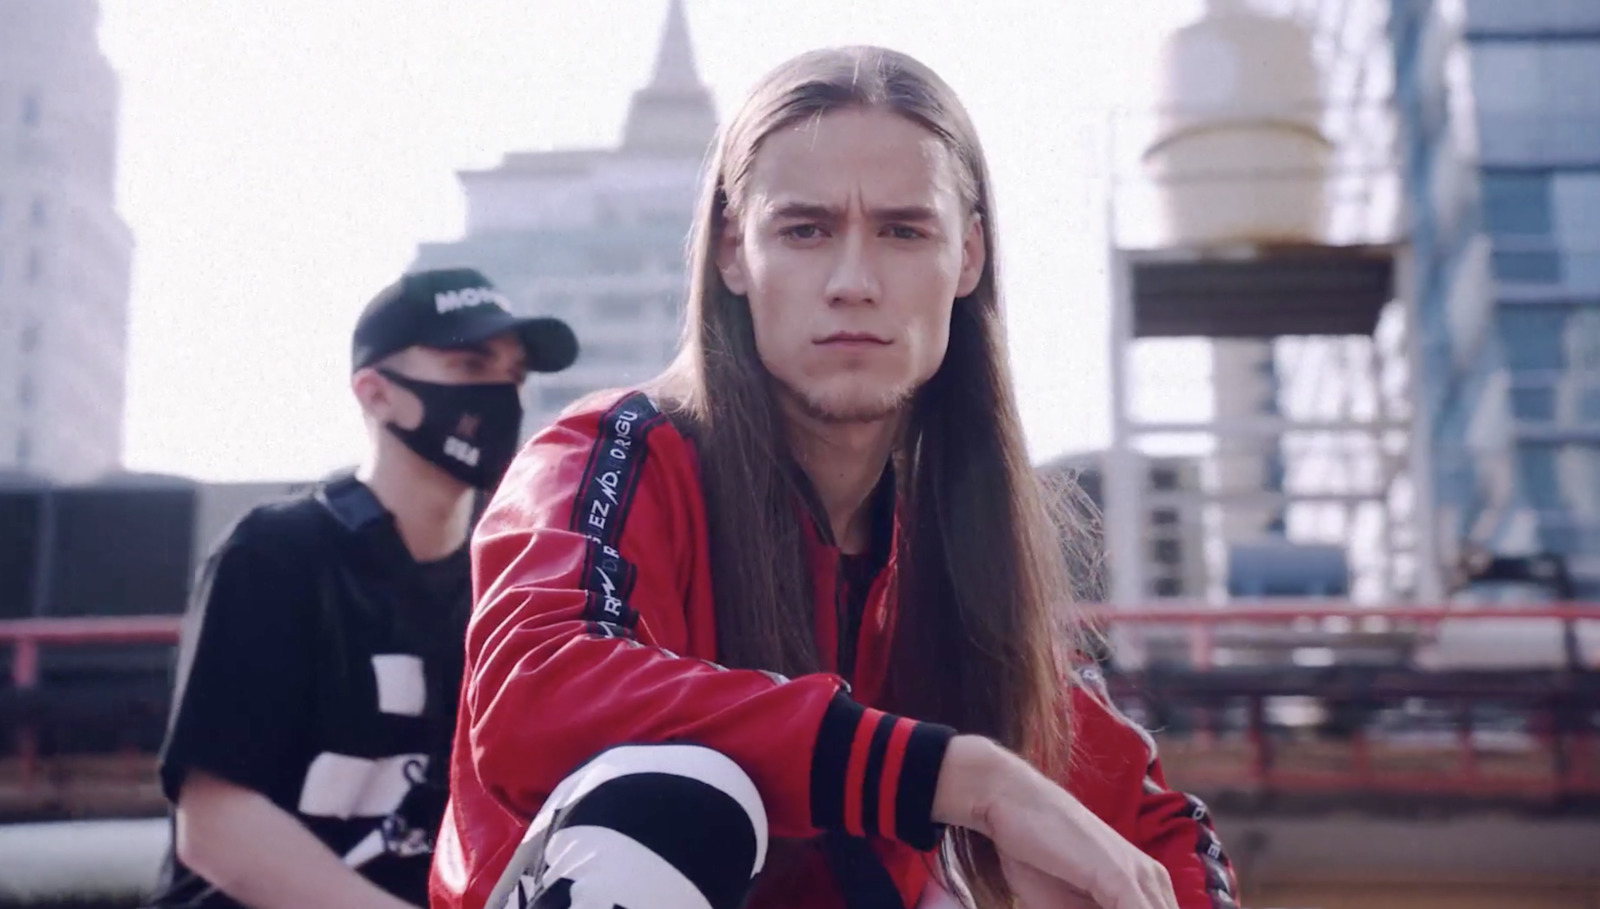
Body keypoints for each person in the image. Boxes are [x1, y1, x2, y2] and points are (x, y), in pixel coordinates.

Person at [432, 48, 1239, 909]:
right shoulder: (613, 450)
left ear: (967, 258)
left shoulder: (951, 558)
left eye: (903, 230)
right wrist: (956, 774)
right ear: (735, 253)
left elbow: (1156, 829)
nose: (854, 283)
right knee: (672, 800)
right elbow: (535, 691)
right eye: (806, 229)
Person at [148, 268, 577, 909]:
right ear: (375, 394)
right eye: (469, 364)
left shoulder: (515, 575)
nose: (501, 394)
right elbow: (215, 829)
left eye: (514, 375)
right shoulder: (275, 553)